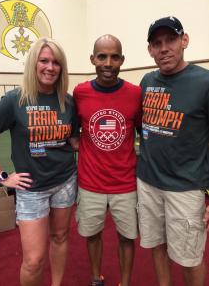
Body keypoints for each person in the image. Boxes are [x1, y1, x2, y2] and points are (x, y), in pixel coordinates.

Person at [0, 37, 79, 286]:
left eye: (56, 62)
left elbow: (74, 140)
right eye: (44, 60)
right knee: (34, 260)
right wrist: (3, 177)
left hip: (65, 181)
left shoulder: (67, 102)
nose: (50, 67)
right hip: (31, 189)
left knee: (60, 238)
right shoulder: (15, 100)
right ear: (33, 64)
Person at [137, 16, 209, 286]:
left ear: (184, 41)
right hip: (148, 183)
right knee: (157, 246)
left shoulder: (204, 82)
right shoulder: (146, 81)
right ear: (150, 51)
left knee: (190, 258)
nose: (164, 48)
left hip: (186, 188)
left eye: (171, 40)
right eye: (157, 43)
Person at [73, 34, 142, 286]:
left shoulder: (135, 93)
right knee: (92, 234)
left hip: (125, 184)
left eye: (114, 57)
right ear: (92, 59)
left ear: (122, 60)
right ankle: (95, 278)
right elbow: (72, 133)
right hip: (90, 183)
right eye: (102, 56)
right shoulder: (80, 92)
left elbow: (143, 133)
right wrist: (88, 152)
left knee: (127, 238)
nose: (108, 63)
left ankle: (124, 282)